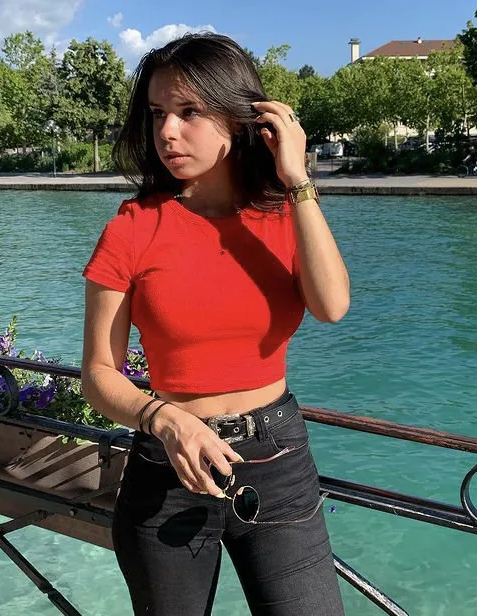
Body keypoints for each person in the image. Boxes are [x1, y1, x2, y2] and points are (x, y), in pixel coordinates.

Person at [80, 32, 349, 616]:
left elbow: (332, 306)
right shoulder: (131, 229)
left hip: (276, 460)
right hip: (168, 467)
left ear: (237, 118)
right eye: (158, 114)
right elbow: (99, 374)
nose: (168, 132)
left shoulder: (285, 215)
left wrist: (297, 178)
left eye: (189, 111)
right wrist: (163, 418)